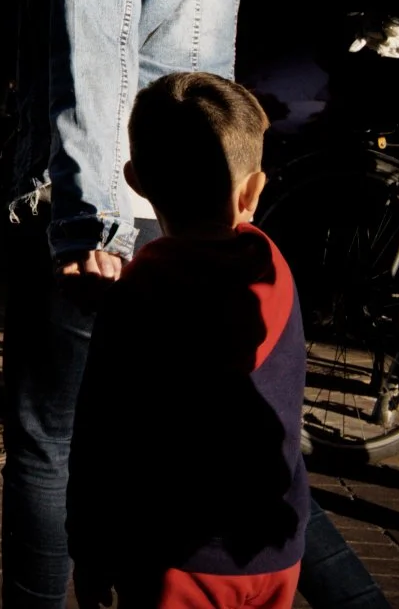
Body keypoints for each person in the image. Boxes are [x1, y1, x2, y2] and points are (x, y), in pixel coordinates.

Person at [2, 0, 380, 609]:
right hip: (191, 211)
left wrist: (84, 227)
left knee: (47, 444)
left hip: (109, 209)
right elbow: (209, 79)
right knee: (233, 436)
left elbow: (92, 63)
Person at [69, 73, 306, 609]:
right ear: (253, 190)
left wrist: (89, 548)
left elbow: (101, 440)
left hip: (172, 552)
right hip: (274, 549)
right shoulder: (276, 270)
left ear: (136, 181)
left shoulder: (141, 294)